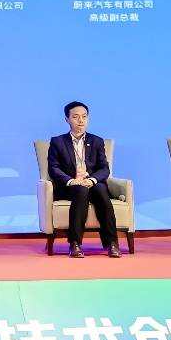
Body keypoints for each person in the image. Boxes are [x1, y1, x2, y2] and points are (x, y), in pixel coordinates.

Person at [48, 101, 120, 258]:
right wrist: (70, 180)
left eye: (84, 117)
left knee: (101, 190)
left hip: (91, 183)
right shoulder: (57, 142)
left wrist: (92, 180)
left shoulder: (96, 141)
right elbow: (53, 168)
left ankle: (112, 243)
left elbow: (104, 168)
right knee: (80, 191)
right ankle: (75, 243)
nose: (81, 121)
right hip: (70, 186)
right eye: (75, 117)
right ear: (67, 119)